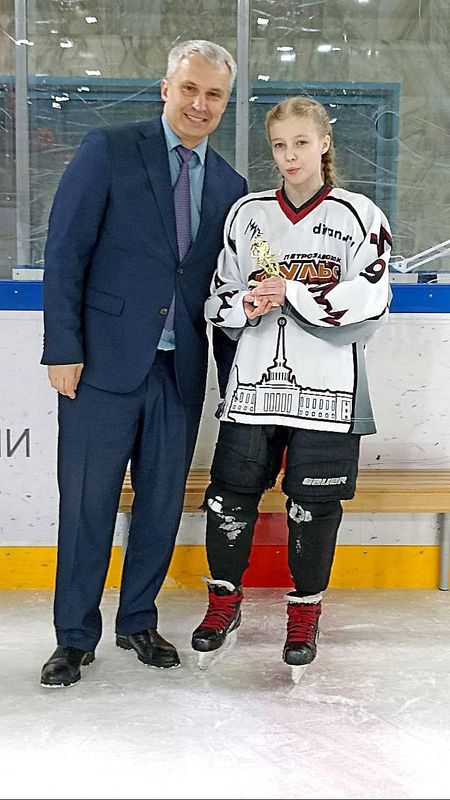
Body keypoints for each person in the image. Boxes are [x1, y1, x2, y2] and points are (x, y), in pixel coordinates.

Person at [40, 40, 247, 688]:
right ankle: (74, 638)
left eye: (214, 94)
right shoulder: (110, 149)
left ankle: (137, 621)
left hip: (179, 374)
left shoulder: (230, 187)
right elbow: (65, 251)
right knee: (87, 506)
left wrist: (234, 382)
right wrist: (62, 347)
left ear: (225, 103)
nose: (200, 104)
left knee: (159, 507)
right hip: (100, 367)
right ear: (165, 88)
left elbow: (222, 290)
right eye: (190, 88)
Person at [191, 96, 392, 676]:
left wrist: (294, 293)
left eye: (301, 143)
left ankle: (305, 612)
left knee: (314, 504)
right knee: (230, 496)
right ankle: (223, 603)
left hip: (329, 388)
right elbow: (216, 298)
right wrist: (244, 305)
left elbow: (373, 295)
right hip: (255, 385)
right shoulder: (248, 214)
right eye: (279, 145)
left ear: (324, 143)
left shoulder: (358, 215)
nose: (290, 156)